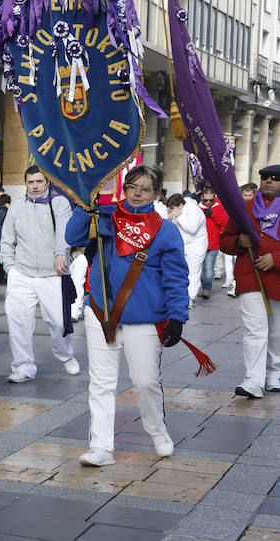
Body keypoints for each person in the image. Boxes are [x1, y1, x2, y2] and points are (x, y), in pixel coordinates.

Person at [65, 165, 188, 466]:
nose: (136, 193)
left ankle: (157, 431)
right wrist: (85, 203)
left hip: (145, 317)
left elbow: (176, 277)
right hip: (101, 312)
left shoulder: (165, 229)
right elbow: (72, 235)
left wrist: (177, 316)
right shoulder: (106, 217)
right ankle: (101, 447)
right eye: (132, 186)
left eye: (144, 189)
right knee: (101, 382)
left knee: (145, 381)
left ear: (156, 194)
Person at [0, 166, 80, 382]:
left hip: (53, 273)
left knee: (59, 322)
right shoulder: (16, 208)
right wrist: (10, 269)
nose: (35, 186)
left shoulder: (59, 203)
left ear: (47, 182)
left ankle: (65, 355)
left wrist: (60, 253)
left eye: (39, 181)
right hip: (22, 274)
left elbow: (65, 232)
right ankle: (23, 367)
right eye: (30, 182)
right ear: (25, 184)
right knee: (18, 322)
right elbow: (7, 240)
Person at [219, 165, 280, 399]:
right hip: (250, 276)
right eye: (264, 178)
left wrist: (275, 259)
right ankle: (253, 380)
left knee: (276, 332)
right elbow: (224, 240)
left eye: (274, 179)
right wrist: (238, 242)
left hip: (277, 278)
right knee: (255, 330)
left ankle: (274, 374)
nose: (268, 182)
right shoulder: (243, 208)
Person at [166, 193, 208, 307]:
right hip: (183, 246)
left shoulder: (194, 210)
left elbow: (192, 229)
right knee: (181, 272)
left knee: (193, 272)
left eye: (173, 209)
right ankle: (180, 296)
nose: (172, 211)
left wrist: (178, 217)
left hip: (196, 246)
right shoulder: (179, 211)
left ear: (180, 205)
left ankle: (190, 298)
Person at [197, 187, 229, 299]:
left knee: (209, 269)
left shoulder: (219, 207)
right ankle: (203, 287)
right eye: (206, 200)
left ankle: (207, 289)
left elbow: (225, 223)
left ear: (214, 198)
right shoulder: (197, 208)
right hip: (200, 244)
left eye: (211, 200)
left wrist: (213, 214)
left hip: (213, 244)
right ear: (202, 198)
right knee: (200, 269)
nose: (209, 202)